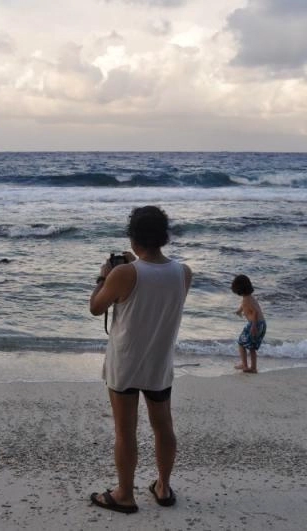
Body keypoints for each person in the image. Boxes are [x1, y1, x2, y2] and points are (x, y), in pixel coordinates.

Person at [88, 205, 192, 514]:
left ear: (133, 238)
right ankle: (162, 486)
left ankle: (124, 494)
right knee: (163, 426)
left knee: (125, 431)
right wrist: (133, 265)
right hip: (159, 363)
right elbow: (154, 289)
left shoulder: (123, 273)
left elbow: (96, 307)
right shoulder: (183, 272)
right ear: (164, 237)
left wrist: (103, 275)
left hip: (126, 364)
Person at [231, 274, 266, 374]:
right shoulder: (249, 297)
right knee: (252, 346)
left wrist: (254, 326)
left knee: (241, 343)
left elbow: (255, 312)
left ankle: (245, 365)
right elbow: (244, 305)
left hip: (255, 324)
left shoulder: (247, 299)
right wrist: (239, 311)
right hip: (261, 324)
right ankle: (253, 367)